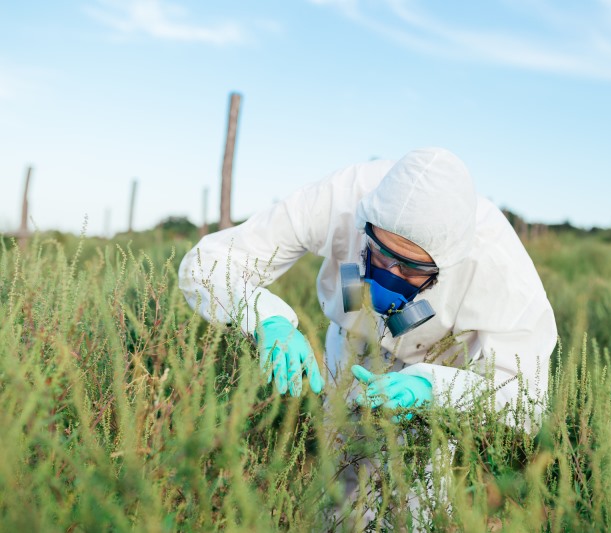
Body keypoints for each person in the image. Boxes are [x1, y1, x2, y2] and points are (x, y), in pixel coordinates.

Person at [178, 147, 557, 427]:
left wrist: (433, 390)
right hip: (346, 344)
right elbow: (208, 266)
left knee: (413, 499)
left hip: (432, 369)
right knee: (336, 480)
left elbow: (525, 396)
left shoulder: (499, 266)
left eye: (411, 269)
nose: (391, 272)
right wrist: (264, 318)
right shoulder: (339, 198)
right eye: (381, 253)